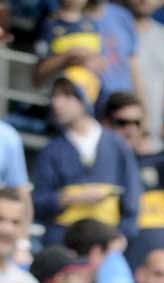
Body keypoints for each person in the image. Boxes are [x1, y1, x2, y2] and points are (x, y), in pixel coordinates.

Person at [33, 71, 143, 249]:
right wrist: (67, 199)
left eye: (68, 96)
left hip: (106, 242)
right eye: (55, 95)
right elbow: (39, 202)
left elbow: (132, 197)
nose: (57, 103)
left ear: (87, 98)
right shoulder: (51, 150)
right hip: (62, 241)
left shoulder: (117, 145)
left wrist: (123, 236)